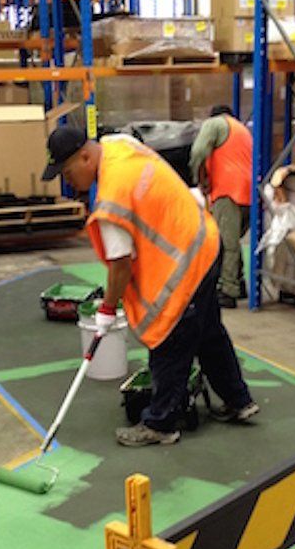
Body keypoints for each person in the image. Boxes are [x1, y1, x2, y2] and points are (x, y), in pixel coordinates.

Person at [41, 126, 259, 448]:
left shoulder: (112, 201)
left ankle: (160, 423)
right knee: (209, 333)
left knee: (169, 342)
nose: (67, 181)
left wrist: (107, 309)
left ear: (86, 157)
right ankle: (239, 401)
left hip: (184, 267)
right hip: (204, 242)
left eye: (68, 171)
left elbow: (121, 266)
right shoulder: (119, 146)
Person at [189, 103, 252, 308]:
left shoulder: (216, 123)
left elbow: (199, 151)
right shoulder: (241, 129)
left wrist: (199, 178)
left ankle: (228, 291)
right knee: (232, 238)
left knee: (226, 243)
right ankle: (239, 283)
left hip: (228, 190)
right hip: (249, 191)